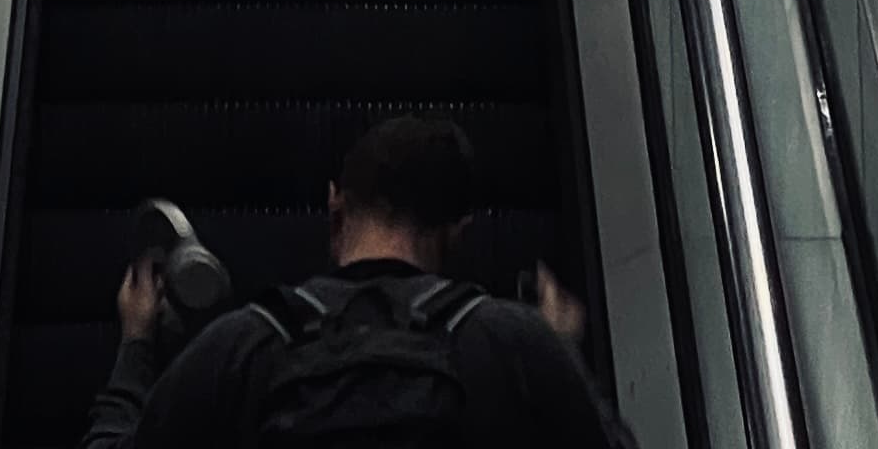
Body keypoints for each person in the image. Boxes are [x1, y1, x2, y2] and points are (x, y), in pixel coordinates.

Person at [78, 113, 632, 449]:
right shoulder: (515, 345)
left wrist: (136, 344)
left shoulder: (241, 346)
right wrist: (564, 355)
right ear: (457, 233)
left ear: (334, 206)